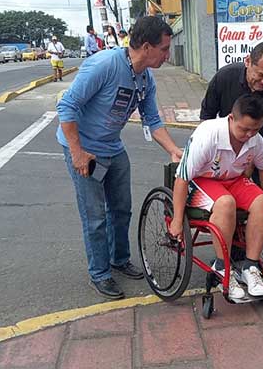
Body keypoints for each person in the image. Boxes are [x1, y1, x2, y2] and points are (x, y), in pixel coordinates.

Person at [57, 16, 183, 299]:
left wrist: (174, 150)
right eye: (164, 49)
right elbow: (66, 107)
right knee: (95, 217)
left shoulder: (145, 79)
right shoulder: (105, 65)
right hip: (85, 149)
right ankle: (100, 273)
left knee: (121, 209)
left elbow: (152, 119)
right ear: (147, 47)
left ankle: (119, 259)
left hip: (112, 148)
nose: (168, 55)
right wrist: (77, 153)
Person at [200, 41, 263, 288]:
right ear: (248, 62)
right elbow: (206, 117)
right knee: (227, 204)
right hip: (223, 153)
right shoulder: (225, 78)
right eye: (260, 75)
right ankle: (230, 254)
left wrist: (253, 156)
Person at [171, 95, 263, 299]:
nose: (249, 134)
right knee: (226, 203)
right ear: (231, 118)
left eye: (255, 129)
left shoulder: (256, 140)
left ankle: (250, 267)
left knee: (262, 201)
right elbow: (182, 178)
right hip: (201, 180)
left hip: (233, 180)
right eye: (244, 129)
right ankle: (221, 266)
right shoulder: (209, 135)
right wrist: (176, 220)